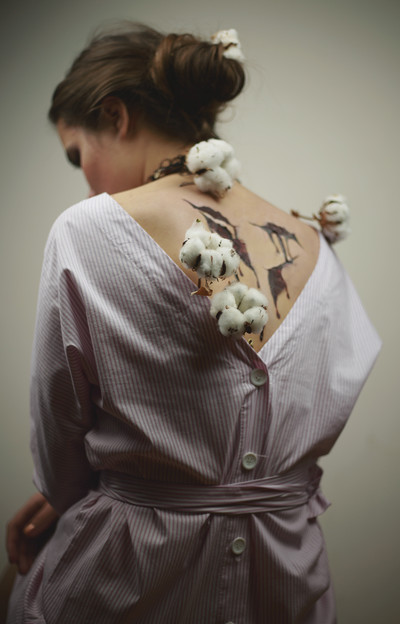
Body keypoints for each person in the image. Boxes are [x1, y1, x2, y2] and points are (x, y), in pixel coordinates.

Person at [5, 22, 381, 623]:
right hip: (287, 582)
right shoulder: (317, 246)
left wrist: (84, 493)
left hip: (128, 583)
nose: (86, 176)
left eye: (78, 154)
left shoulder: (88, 228)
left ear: (116, 115)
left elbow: (60, 445)